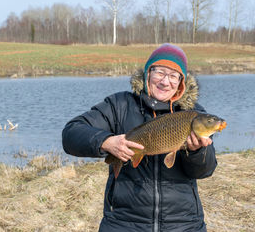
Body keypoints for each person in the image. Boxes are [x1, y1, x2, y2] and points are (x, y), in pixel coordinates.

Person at [62, 43, 217, 232]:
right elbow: (71, 133)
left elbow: (205, 171)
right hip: (124, 223)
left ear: (181, 82)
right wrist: (106, 141)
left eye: (173, 76)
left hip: (184, 224)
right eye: (159, 72)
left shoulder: (193, 114)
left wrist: (197, 151)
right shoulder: (119, 105)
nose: (165, 81)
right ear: (147, 73)